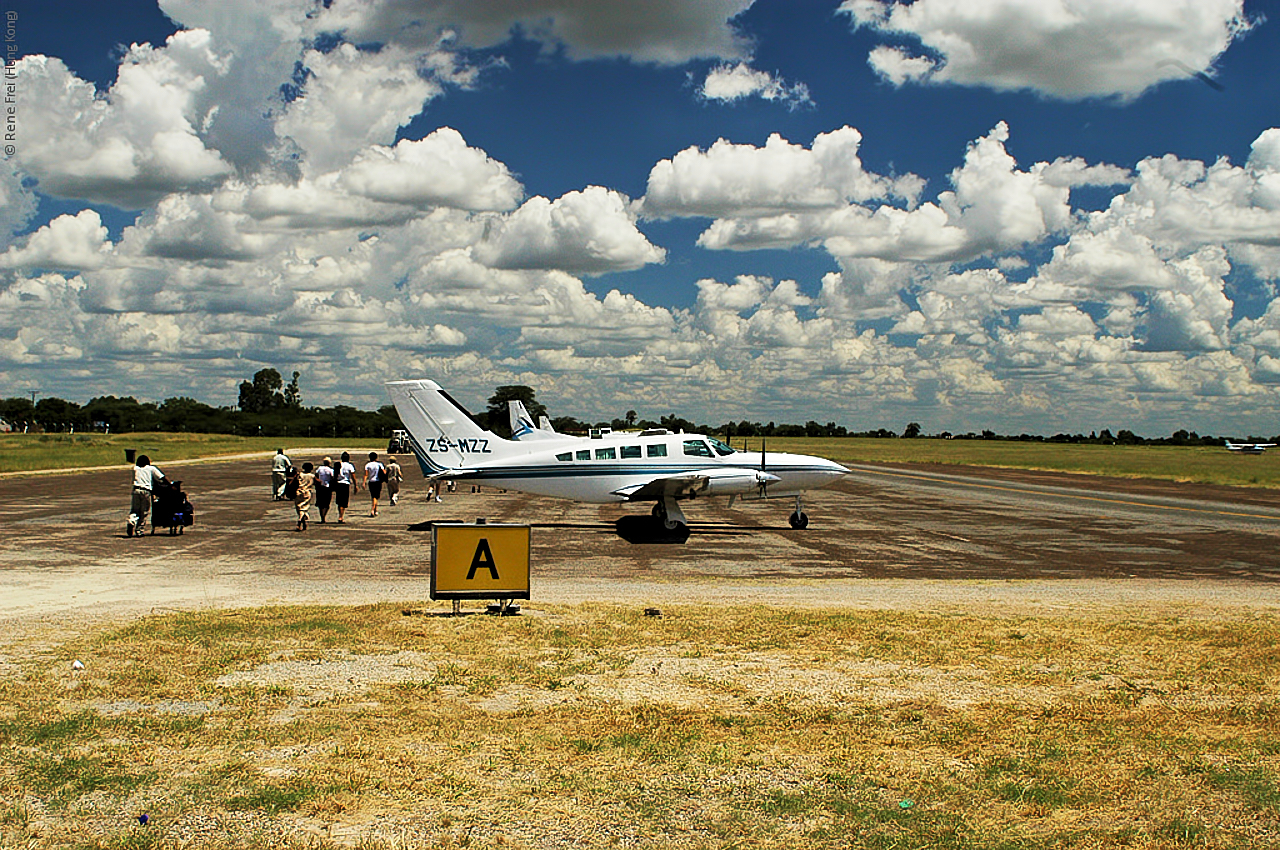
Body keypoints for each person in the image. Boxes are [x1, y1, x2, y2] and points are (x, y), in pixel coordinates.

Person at [127, 454, 167, 537]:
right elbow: (161, 478)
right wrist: (169, 485)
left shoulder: (135, 469)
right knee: (144, 511)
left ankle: (131, 520)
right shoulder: (151, 468)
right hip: (146, 491)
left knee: (135, 509)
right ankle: (139, 530)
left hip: (136, 490)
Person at [334, 451, 359, 523]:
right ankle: (341, 516)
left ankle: (340, 515)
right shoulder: (350, 466)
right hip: (345, 484)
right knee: (344, 501)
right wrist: (355, 485)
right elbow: (353, 476)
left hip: (338, 483)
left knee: (339, 501)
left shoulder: (338, 464)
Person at [294, 461, 316, 531]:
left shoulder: (300, 475)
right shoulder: (312, 476)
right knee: (304, 508)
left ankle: (301, 521)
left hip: (299, 491)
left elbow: (296, 481)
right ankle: (302, 520)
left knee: (299, 507)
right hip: (307, 492)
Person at [364, 451, 386, 516]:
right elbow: (384, 472)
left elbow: (366, 474)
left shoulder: (367, 465)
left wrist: (364, 482)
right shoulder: (379, 464)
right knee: (375, 496)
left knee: (373, 496)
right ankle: (373, 510)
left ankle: (375, 510)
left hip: (371, 482)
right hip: (378, 481)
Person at [314, 456, 334, 522]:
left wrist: (318, 481)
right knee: (327, 502)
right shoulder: (331, 470)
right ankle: (324, 516)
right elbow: (332, 478)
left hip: (320, 487)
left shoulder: (320, 468)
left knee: (320, 503)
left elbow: (316, 474)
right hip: (327, 487)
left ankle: (322, 516)